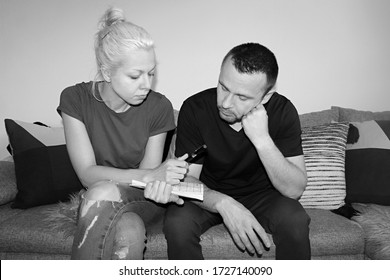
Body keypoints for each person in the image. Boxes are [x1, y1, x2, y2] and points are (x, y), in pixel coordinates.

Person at [57, 7, 188, 259]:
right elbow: (87, 175)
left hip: (141, 198)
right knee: (128, 231)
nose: (147, 85)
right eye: (135, 75)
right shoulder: (75, 99)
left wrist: (152, 176)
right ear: (107, 72)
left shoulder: (158, 106)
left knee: (104, 194)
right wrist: (150, 175)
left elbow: (144, 183)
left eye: (151, 74)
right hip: (96, 196)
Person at [164, 43, 311, 260]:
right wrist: (223, 203)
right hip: (208, 192)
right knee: (177, 222)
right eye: (223, 87)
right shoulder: (195, 109)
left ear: (266, 96)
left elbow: (294, 190)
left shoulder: (283, 112)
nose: (225, 103)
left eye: (242, 97)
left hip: (263, 196)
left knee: (295, 220)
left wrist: (262, 140)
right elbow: (186, 181)